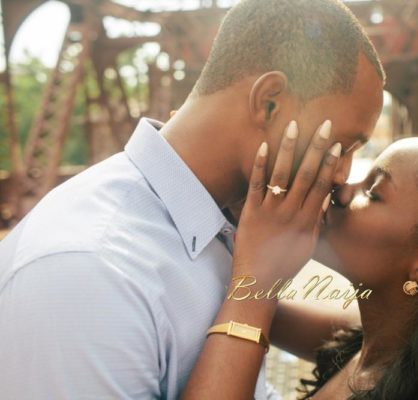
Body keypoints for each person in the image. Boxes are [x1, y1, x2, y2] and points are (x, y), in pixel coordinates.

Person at [0, 0, 384, 398]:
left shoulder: (214, 228)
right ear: (269, 102)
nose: (341, 174)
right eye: (343, 144)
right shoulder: (87, 270)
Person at [185, 119, 418, 399]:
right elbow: (255, 306)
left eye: (373, 192)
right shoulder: (378, 345)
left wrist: (261, 277)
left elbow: (254, 302)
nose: (341, 190)